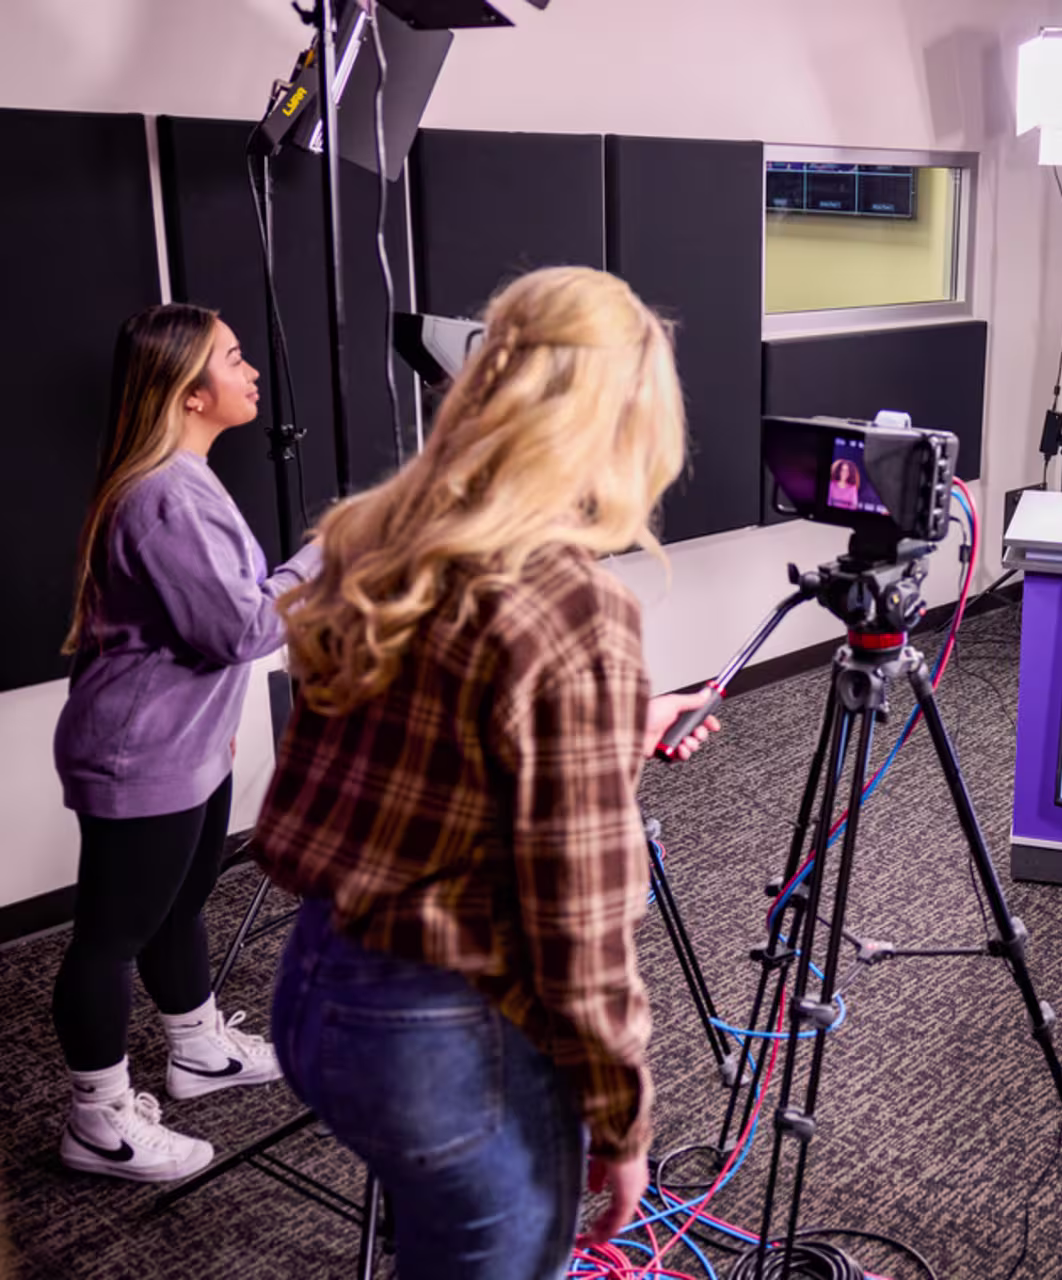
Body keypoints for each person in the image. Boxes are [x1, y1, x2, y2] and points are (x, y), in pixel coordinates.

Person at [253, 266, 719, 1280]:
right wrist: (624, 1119)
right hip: (447, 1033)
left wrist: (606, 730)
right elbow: (581, 923)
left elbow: (412, 754)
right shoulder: (574, 606)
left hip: (318, 989)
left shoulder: (373, 536)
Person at [51, 304, 318, 1183]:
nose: (251, 375)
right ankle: (97, 1124)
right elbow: (241, 629)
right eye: (234, 361)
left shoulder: (188, 475)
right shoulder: (165, 493)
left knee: (182, 901)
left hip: (185, 745)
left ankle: (197, 1050)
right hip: (140, 758)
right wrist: (324, 559)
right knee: (110, 937)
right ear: (191, 393)